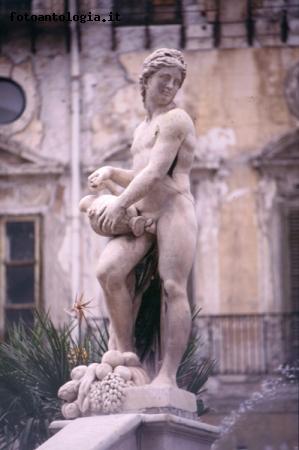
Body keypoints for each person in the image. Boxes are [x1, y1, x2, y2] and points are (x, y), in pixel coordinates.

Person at [88, 48, 197, 387]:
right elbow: (139, 173)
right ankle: (126, 354)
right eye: (164, 78)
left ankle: (168, 376)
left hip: (174, 209)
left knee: (173, 286)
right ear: (147, 79)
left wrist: (119, 204)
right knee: (109, 271)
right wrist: (110, 171)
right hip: (143, 213)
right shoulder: (141, 129)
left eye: (176, 81)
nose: (170, 86)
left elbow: (155, 173)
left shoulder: (176, 120)